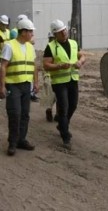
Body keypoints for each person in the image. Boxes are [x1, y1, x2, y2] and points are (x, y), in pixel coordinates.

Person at [43, 19, 86, 150]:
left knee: (73, 105)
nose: (64, 33)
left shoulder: (73, 43)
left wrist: (81, 62)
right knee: (64, 107)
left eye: (64, 30)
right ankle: (65, 136)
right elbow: (46, 65)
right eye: (60, 32)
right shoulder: (51, 47)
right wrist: (59, 66)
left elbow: (82, 56)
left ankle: (62, 125)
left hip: (73, 80)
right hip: (59, 82)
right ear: (55, 34)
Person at [0, 18, 39, 156]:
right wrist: (2, 86)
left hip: (26, 85)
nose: (32, 34)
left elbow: (34, 66)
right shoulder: (9, 46)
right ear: (23, 32)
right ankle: (12, 142)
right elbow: (3, 66)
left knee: (25, 114)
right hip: (13, 85)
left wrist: (36, 83)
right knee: (15, 113)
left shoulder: (30, 47)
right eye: (30, 32)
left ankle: (21, 139)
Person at [41, 31, 57, 122]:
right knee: (51, 95)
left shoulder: (58, 48)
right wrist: (46, 77)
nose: (52, 40)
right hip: (49, 76)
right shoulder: (48, 49)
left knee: (58, 96)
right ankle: (49, 110)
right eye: (51, 38)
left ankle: (58, 114)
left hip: (57, 75)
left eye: (53, 38)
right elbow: (45, 65)